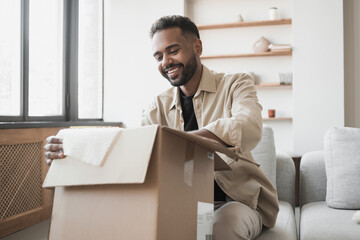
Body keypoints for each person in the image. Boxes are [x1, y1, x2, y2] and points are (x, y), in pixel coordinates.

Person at [45, 15, 279, 240]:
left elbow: (248, 126)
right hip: (184, 201)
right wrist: (71, 150)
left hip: (235, 202)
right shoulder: (156, 106)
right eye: (158, 57)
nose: (166, 62)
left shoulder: (235, 83)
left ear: (197, 47)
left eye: (173, 51)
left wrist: (183, 141)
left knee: (218, 229)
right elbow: (136, 154)